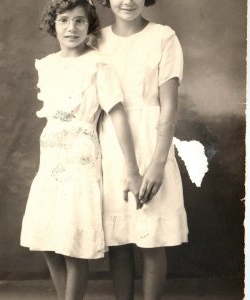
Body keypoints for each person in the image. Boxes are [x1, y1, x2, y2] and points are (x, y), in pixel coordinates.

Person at [20, 0, 143, 299]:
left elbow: (118, 117)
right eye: (64, 20)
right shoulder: (47, 65)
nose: (71, 28)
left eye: (79, 21)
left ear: (89, 26)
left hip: (80, 160)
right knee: (49, 244)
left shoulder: (98, 65)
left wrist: (132, 168)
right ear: (54, 25)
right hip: (50, 160)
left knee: (72, 248)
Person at [97, 0, 189, 299]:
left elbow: (170, 107)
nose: (128, 1)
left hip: (153, 142)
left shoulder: (163, 37)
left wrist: (157, 163)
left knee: (152, 238)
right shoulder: (95, 40)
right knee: (119, 241)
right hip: (110, 144)